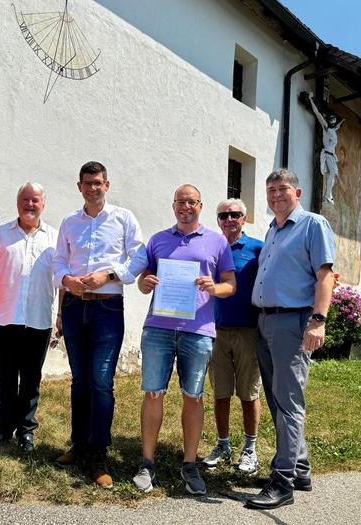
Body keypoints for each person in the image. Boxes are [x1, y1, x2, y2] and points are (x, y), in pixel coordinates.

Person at [132, 184, 236, 496]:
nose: (185, 207)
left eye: (191, 202)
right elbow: (143, 281)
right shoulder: (158, 240)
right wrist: (145, 282)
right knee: (153, 394)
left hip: (198, 330)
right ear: (173, 205)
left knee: (193, 396)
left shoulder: (217, 242)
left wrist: (213, 287)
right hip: (159, 328)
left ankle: (189, 464)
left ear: (200, 206)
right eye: (180, 202)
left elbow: (230, 285)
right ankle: (147, 462)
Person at [52, 161, 147, 489]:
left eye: (98, 183)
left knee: (101, 381)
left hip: (107, 307)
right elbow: (58, 260)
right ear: (79, 186)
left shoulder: (123, 218)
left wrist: (107, 275)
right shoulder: (69, 221)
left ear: (107, 185)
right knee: (79, 381)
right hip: (75, 306)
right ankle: (79, 446)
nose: (92, 188)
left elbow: (139, 259)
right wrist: (66, 279)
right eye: (87, 183)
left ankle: (98, 454)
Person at [246, 168, 335, 509]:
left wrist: (317, 320)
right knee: (277, 399)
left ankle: (282, 482)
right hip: (266, 321)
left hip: (293, 322)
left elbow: (324, 275)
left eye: (282, 188)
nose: (275, 194)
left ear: (297, 193)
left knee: (289, 401)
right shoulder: (272, 230)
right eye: (270, 190)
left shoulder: (312, 224)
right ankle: (300, 468)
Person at [0, 182, 58, 452]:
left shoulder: (55, 239)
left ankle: (26, 430)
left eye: (35, 200)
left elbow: (63, 281)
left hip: (39, 319)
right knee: (7, 376)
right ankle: (3, 428)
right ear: (17, 203)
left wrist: (62, 315)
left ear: (43, 204)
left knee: (32, 377)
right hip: (5, 318)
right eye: (25, 199)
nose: (30, 204)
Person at [202, 198, 264, 474]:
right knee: (221, 392)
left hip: (249, 331)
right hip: (216, 330)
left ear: (244, 218)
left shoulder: (257, 249)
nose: (229, 219)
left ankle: (250, 449)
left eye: (235, 214)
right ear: (218, 220)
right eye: (224, 215)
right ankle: (223, 444)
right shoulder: (211, 247)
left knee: (249, 393)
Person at [308, 93, 344, 204]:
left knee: (334, 175)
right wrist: (310, 99)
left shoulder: (333, 129)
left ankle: (328, 194)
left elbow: (338, 125)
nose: (333, 121)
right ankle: (327, 195)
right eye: (331, 119)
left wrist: (342, 121)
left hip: (332, 155)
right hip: (327, 154)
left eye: (334, 120)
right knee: (333, 173)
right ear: (328, 120)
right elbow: (317, 114)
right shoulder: (326, 128)